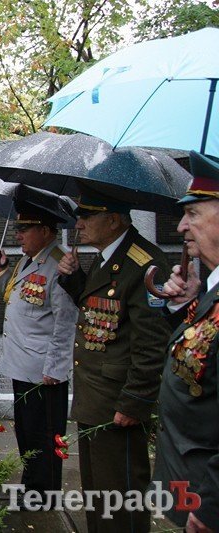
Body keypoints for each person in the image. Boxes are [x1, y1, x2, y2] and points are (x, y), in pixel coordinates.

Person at [57, 192, 171, 533]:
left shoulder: (144, 264)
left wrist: (134, 401)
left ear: (114, 220)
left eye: (87, 216)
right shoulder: (106, 258)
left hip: (117, 403)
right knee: (98, 495)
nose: (78, 223)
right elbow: (100, 314)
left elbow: (152, 341)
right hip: (95, 397)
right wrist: (74, 277)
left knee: (119, 496)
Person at [0, 206, 78, 498]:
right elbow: (15, 296)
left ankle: (44, 494)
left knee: (44, 435)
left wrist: (55, 368)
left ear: (45, 231)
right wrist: (2, 271)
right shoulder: (28, 262)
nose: (19, 235)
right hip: (23, 364)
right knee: (27, 433)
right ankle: (32, 485)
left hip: (43, 371)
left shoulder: (59, 263)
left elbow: (65, 322)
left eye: (25, 229)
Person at [153, 151, 219, 533]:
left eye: (193, 214)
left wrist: (213, 507)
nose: (180, 227)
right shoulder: (210, 291)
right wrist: (184, 308)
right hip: (187, 481)